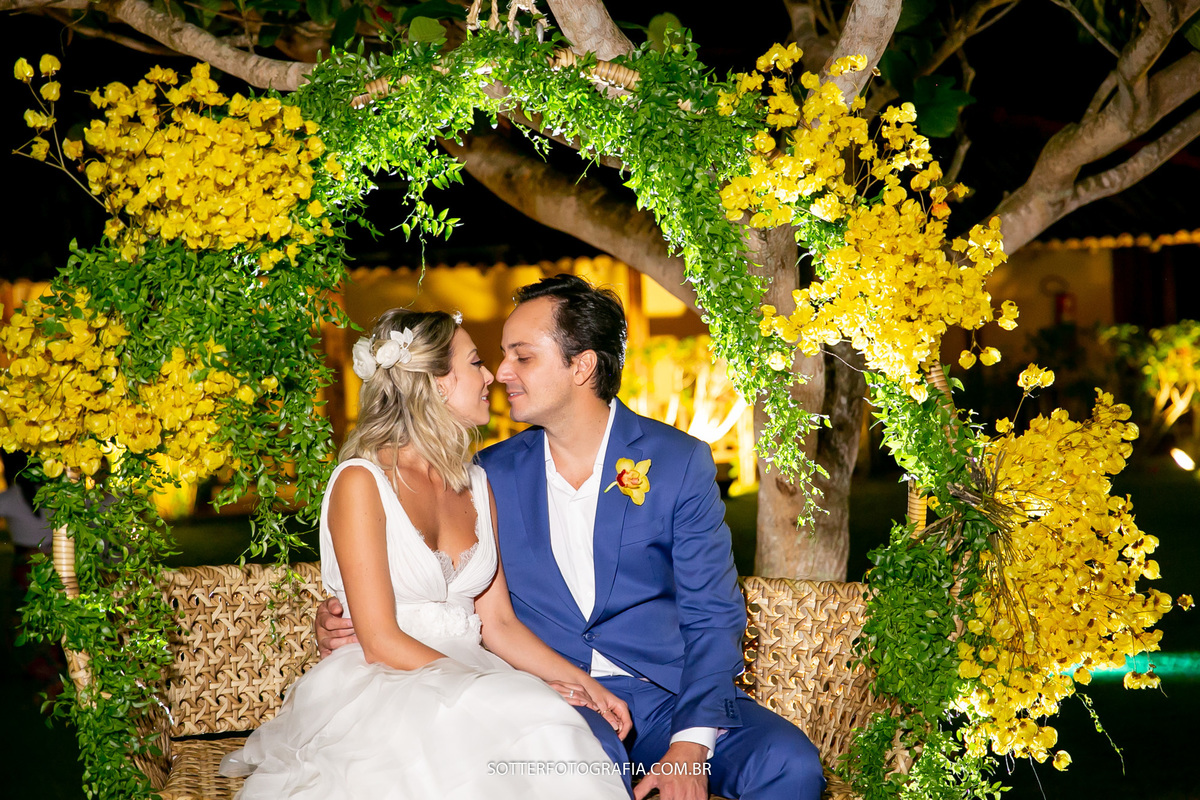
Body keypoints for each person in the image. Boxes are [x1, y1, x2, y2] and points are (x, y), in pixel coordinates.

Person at [319, 276, 827, 800]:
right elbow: (436, 585)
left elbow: (713, 613)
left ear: (582, 366)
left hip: (670, 696)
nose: (501, 372)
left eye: (523, 357)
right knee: (572, 773)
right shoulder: (486, 476)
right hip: (556, 700)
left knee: (789, 764)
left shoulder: (678, 463)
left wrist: (691, 745)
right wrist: (341, 613)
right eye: (495, 358)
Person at [220, 309, 631, 799]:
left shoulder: (476, 482)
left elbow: (498, 624)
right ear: (437, 384)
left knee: (549, 735)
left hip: (475, 669)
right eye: (476, 362)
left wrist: (585, 685)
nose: (490, 376)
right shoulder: (361, 481)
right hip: (389, 680)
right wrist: (499, 690)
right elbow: (379, 640)